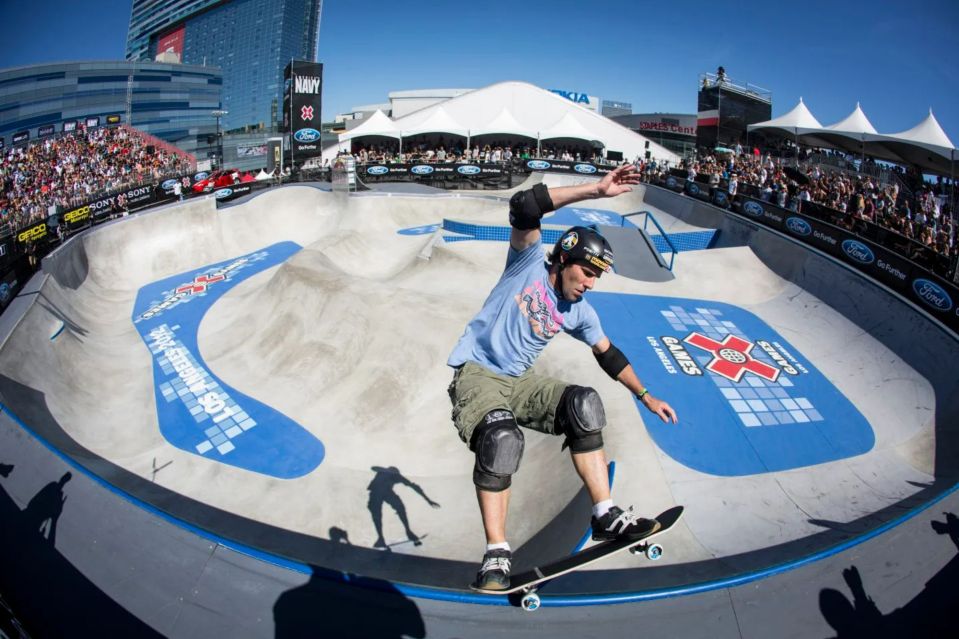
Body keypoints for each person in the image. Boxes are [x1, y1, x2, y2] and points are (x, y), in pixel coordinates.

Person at [446, 164, 678, 591]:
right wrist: (597, 190)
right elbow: (524, 206)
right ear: (566, 259)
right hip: (478, 375)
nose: (590, 284)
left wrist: (646, 396)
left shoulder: (579, 312)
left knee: (583, 404)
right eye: (587, 273)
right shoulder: (528, 262)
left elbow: (609, 355)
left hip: (519, 382)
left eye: (597, 277)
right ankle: (496, 554)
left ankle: (605, 513)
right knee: (502, 441)